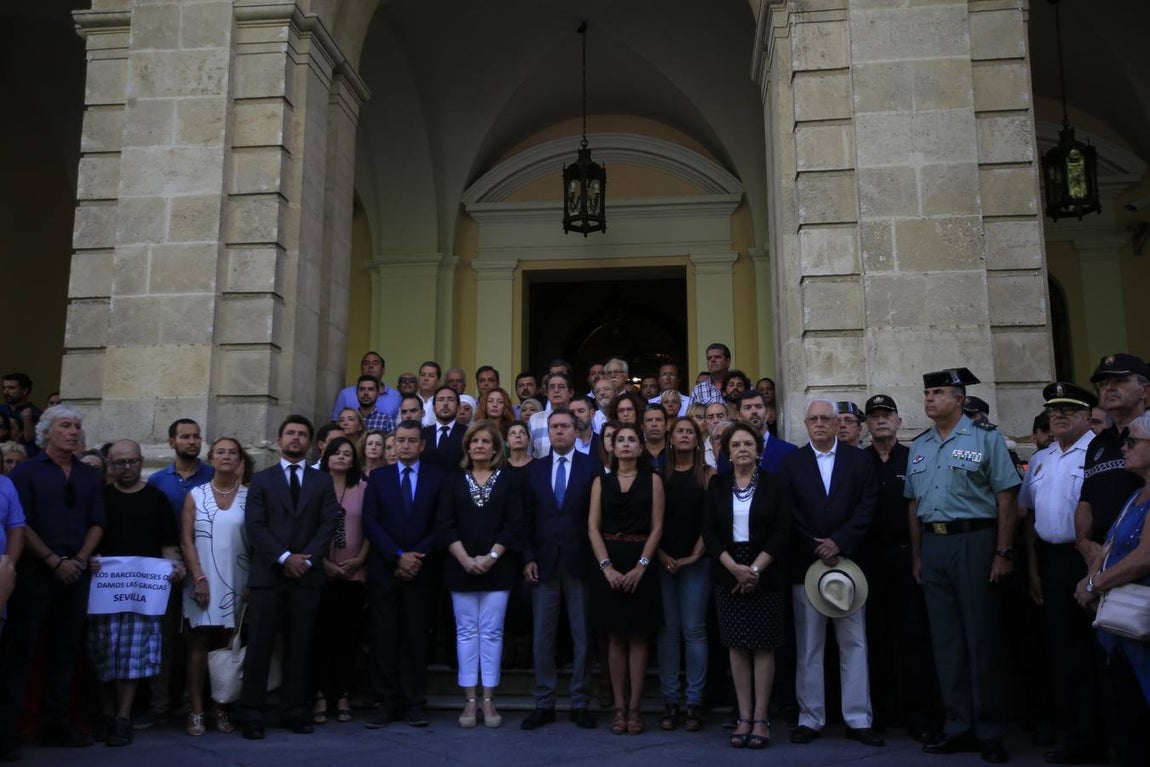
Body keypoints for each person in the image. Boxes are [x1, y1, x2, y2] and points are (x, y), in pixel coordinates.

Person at [907, 368, 1020, 764]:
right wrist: (918, 556)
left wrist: (1003, 552)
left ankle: (989, 730)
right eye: (927, 393)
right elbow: (913, 505)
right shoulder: (919, 445)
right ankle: (958, 725)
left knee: (981, 638)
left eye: (938, 392)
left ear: (959, 399)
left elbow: (1006, 496)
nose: (929, 399)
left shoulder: (985, 439)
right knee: (947, 642)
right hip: (935, 545)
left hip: (975, 541)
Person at [0, 405, 104, 759]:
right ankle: (9, 730)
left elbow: (97, 523)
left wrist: (76, 560)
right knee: (21, 653)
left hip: (75, 575)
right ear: (47, 432)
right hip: (34, 574)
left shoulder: (89, 476)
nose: (73, 431)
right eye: (65, 425)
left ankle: (57, 725)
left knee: (65, 651)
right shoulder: (26, 472)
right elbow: (19, 523)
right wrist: (50, 559)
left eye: (77, 426)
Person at [782, 399, 882, 747]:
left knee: (854, 642)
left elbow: (868, 504)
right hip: (807, 566)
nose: (821, 424)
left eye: (827, 418)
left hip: (850, 565)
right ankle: (811, 718)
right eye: (814, 419)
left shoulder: (859, 460)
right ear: (806, 423)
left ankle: (858, 718)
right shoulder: (792, 463)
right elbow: (789, 511)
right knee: (809, 645)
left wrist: (839, 542)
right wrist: (816, 544)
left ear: (838, 423)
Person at [1019, 382, 1107, 764]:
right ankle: (1074, 734)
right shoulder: (1041, 459)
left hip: (1088, 560)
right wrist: (1034, 572)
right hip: (1052, 561)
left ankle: (1101, 735)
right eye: (1054, 410)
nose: (1059, 416)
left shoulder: (1100, 453)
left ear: (1088, 416)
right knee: (1062, 653)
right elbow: (1030, 518)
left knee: (1096, 652)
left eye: (1069, 410)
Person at [238, 415, 340, 740]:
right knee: (260, 646)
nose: (296, 439)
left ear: (310, 443)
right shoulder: (262, 480)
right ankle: (252, 713)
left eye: (302, 435)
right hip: (269, 575)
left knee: (300, 646)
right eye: (290, 434)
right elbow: (255, 526)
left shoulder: (321, 481)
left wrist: (305, 560)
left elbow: (328, 524)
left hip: (307, 576)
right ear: (280, 440)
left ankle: (295, 710)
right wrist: (284, 558)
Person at [88, 440, 184, 747]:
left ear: (141, 462)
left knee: (131, 657)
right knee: (102, 652)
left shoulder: (156, 499)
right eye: (119, 463)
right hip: (102, 589)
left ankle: (123, 717)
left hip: (142, 592)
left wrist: (175, 567)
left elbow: (168, 544)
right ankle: (105, 713)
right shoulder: (100, 497)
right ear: (109, 465)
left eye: (131, 462)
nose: (126, 468)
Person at [703, 422, 789, 750]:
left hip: (764, 568)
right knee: (737, 645)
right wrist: (733, 568)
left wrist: (753, 570)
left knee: (763, 646)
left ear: (758, 450)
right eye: (736, 445)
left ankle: (761, 718)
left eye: (748, 444)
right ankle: (743, 715)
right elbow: (709, 531)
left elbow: (782, 531)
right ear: (726, 451)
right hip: (728, 568)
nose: (742, 449)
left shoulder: (774, 485)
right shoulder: (717, 485)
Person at [858, 394, 940, 741]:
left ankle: (917, 715)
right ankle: (879, 713)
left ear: (898, 420)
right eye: (874, 416)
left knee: (912, 638)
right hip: (868, 560)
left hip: (907, 557)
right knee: (874, 638)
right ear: (866, 424)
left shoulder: (915, 457)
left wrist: (919, 558)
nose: (880, 420)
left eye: (886, 415)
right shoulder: (858, 462)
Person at [1074, 411, 1150, 767]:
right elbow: (1111, 546)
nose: (1125, 446)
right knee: (1126, 713)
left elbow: (1142, 559)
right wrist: (1091, 573)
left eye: (1133, 441)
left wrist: (1093, 583)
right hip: (1119, 626)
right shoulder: (1134, 496)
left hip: (1142, 624)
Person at [362, 420, 446, 728]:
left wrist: (416, 557)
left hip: (422, 571)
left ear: (422, 445)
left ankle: (415, 703)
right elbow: (370, 522)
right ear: (394, 444)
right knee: (384, 638)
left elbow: (441, 523)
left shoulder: (438, 478)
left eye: (412, 440)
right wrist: (398, 556)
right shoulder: (379, 478)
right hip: (386, 570)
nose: (406, 445)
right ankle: (385, 703)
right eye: (401, 440)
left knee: (416, 638)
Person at [437, 421, 522, 729]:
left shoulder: (509, 480)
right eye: (475, 442)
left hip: (498, 570)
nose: (480, 446)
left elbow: (514, 523)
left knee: (492, 631)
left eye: (486, 441)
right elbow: (445, 523)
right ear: (467, 447)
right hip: (460, 568)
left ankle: (489, 698)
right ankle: (469, 699)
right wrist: (464, 558)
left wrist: (491, 557)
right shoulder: (453, 480)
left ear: (496, 448)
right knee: (466, 632)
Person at [521, 408, 599, 730]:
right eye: (553, 427)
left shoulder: (592, 468)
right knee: (543, 636)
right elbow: (525, 518)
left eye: (565, 426)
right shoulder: (534, 470)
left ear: (577, 431)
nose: (559, 432)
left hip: (581, 562)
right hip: (544, 562)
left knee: (582, 636)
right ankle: (544, 703)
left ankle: (580, 702)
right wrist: (528, 557)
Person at [588, 422, 664, 735]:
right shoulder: (599, 482)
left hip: (641, 563)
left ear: (641, 447)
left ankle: (635, 709)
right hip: (608, 564)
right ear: (611, 446)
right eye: (621, 439)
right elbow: (592, 527)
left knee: (639, 636)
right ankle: (618, 708)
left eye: (633, 439)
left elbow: (658, 526)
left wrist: (642, 566)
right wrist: (606, 567)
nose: (626, 444)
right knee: (615, 637)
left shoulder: (654, 481)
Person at [142, 418, 214, 730]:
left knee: (199, 640)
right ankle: (160, 706)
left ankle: (193, 704)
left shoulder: (212, 476)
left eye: (197, 436)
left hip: (205, 567)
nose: (192, 442)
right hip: (166, 570)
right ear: (172, 442)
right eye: (185, 437)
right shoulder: (157, 481)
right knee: (165, 639)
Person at [182, 437, 252, 737]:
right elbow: (186, 540)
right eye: (220, 452)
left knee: (226, 648)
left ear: (240, 460)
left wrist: (252, 582)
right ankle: (196, 710)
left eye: (232, 452)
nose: (226, 456)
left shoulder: (251, 496)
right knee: (199, 645)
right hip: (203, 578)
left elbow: (256, 541)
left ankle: (221, 706)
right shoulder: (195, 495)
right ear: (211, 458)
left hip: (238, 580)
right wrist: (198, 578)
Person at [656, 416, 710, 732]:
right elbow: (653, 521)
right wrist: (661, 555)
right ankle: (670, 702)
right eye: (680, 431)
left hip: (696, 562)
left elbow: (711, 522)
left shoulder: (707, 475)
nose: (686, 436)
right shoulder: (658, 475)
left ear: (697, 438)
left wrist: (694, 555)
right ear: (671, 438)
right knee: (669, 632)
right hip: (663, 561)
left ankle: (694, 703)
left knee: (694, 631)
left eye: (691, 431)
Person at [309, 437, 369, 725]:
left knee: (347, 637)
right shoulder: (315, 487)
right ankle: (320, 693)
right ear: (326, 456)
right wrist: (323, 563)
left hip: (354, 571)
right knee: (321, 637)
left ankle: (343, 693)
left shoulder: (363, 488)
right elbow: (305, 529)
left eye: (347, 453)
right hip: (321, 572)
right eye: (336, 453)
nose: (342, 457)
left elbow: (372, 527)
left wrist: (360, 560)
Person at [422, 386, 464, 470]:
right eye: (441, 399)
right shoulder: (422, 434)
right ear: (433, 408)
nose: (445, 403)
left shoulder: (467, 434)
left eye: (450, 399)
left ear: (458, 408)